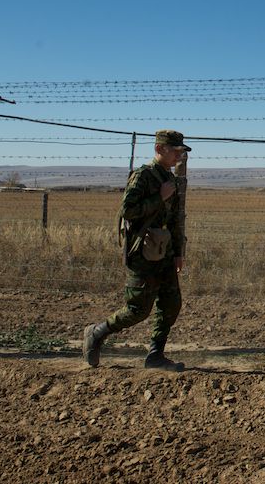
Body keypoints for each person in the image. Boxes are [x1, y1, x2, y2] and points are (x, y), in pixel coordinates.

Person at [83, 130, 191, 371]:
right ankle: (97, 332)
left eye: (180, 152)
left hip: (163, 251)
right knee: (137, 309)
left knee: (171, 304)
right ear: (159, 149)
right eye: (175, 151)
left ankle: (155, 356)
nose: (179, 156)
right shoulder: (143, 176)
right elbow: (127, 211)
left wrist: (178, 252)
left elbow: (173, 218)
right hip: (141, 252)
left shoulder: (170, 179)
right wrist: (159, 198)